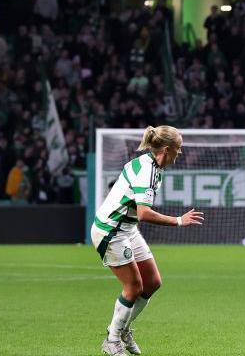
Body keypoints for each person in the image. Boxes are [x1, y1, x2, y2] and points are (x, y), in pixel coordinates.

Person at [91, 126, 203, 355]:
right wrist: (178, 221)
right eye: (178, 149)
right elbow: (144, 213)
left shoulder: (152, 164)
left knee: (152, 282)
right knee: (133, 287)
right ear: (166, 149)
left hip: (127, 229)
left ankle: (123, 329)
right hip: (111, 230)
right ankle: (112, 340)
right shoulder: (148, 171)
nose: (179, 153)